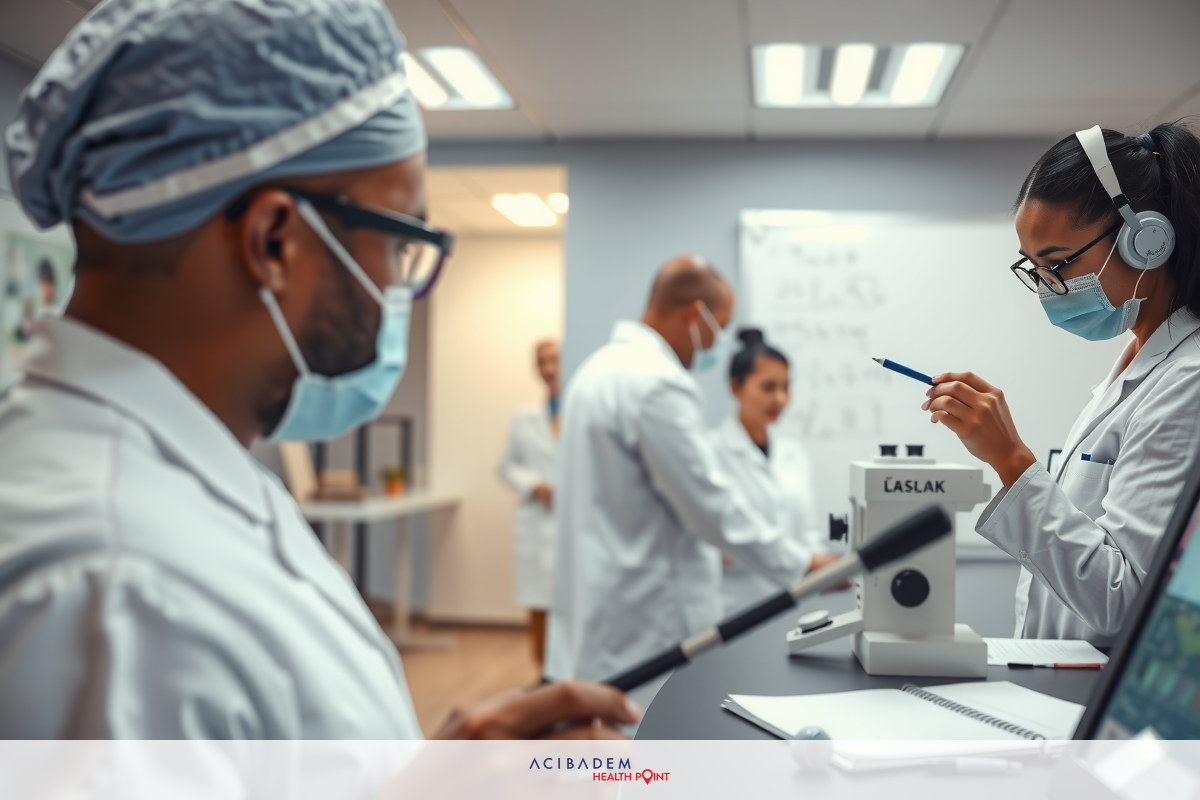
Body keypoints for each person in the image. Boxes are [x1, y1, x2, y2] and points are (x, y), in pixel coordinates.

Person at [0, 0, 638, 739]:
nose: (400, 285)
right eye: (398, 243)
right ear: (276, 241)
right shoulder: (120, 596)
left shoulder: (179, 480)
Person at [924, 122, 1200, 643]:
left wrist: (1011, 461)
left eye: (1057, 263)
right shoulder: (1139, 362)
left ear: (1147, 241)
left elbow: (1125, 601)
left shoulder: (1189, 382)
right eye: (1035, 267)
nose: (1049, 288)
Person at [544, 255, 838, 685]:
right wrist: (804, 565)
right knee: (646, 746)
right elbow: (711, 510)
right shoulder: (658, 384)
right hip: (646, 624)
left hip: (599, 615)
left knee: (608, 747)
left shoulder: (596, 371)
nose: (717, 344)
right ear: (696, 315)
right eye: (719, 327)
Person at [712, 328, 827, 615]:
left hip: (797, 605)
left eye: (786, 387)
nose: (780, 399)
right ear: (735, 387)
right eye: (768, 387)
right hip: (736, 610)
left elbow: (808, 532)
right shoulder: (710, 452)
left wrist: (823, 567)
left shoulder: (793, 454)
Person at [498, 338, 560, 667]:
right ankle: (543, 675)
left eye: (554, 360)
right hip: (538, 519)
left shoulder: (582, 412)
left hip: (572, 523)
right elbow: (505, 467)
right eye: (542, 361)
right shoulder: (524, 417)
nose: (549, 368)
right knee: (538, 606)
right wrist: (535, 485)